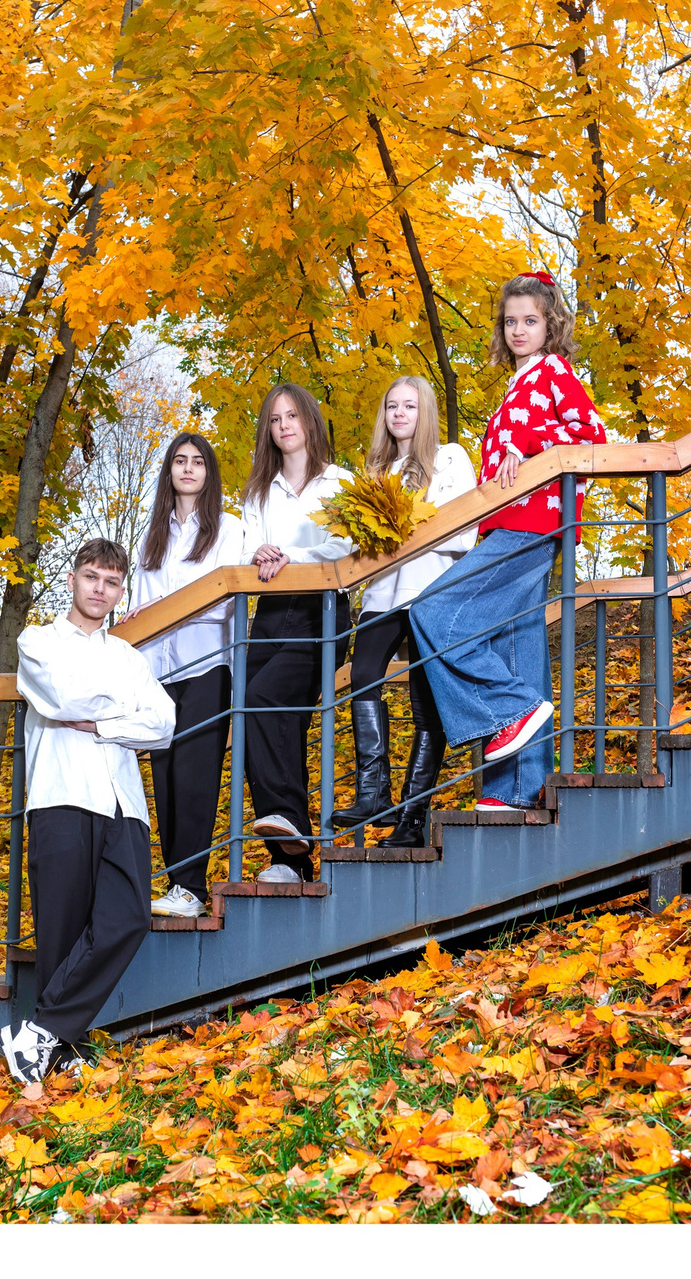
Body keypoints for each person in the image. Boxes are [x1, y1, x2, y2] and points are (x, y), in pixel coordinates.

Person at [408, 273, 613, 812]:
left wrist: (534, 448)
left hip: (534, 522)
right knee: (516, 648)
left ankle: (510, 707)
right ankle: (516, 789)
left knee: (434, 611)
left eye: (530, 320)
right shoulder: (517, 383)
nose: (518, 330)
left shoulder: (553, 371)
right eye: (510, 321)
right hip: (505, 523)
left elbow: (591, 436)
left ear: (551, 326)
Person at [0, 539, 176, 1089]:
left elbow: (163, 723)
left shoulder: (128, 657)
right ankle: (59, 1052)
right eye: (92, 577)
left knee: (128, 918)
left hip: (124, 803)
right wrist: (123, 711)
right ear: (73, 579)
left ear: (121, 592)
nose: (100, 589)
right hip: (62, 795)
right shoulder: (38, 641)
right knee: (63, 929)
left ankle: (39, 1032)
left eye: (112, 582)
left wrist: (100, 722)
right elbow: (61, 698)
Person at [335, 375, 477, 848]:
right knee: (363, 677)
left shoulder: (448, 457)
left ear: (425, 412)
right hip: (382, 595)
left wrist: (404, 527)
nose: (399, 413)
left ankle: (411, 820)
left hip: (429, 592)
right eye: (392, 405)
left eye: (409, 406)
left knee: (425, 702)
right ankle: (372, 793)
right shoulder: (376, 470)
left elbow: (464, 532)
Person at [122, 432, 250, 919]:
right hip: (159, 671)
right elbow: (139, 608)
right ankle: (178, 884)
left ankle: (191, 885)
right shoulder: (151, 536)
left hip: (207, 665)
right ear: (170, 471)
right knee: (166, 778)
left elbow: (226, 604)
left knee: (195, 777)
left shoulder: (228, 529)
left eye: (198, 461)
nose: (189, 468)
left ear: (209, 472)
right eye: (180, 460)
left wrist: (168, 607)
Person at [236, 383, 357, 884]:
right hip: (268, 611)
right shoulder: (257, 492)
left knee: (264, 698)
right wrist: (256, 553)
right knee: (257, 717)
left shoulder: (340, 481)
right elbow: (244, 545)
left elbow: (347, 546)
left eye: (292, 416)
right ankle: (290, 860)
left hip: (320, 610)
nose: (284, 425)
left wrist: (292, 557)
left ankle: (290, 830)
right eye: (274, 419)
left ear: (309, 421)